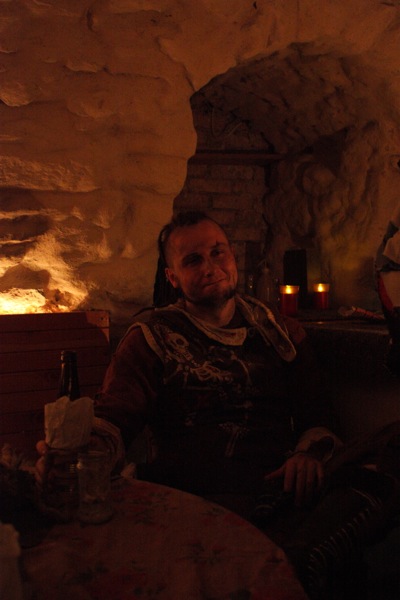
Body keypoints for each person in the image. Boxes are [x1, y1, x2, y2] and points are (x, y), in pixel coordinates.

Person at [37, 210, 400, 599]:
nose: (210, 267)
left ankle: (302, 555)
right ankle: (300, 560)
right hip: (201, 492)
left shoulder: (276, 329)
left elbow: (317, 411)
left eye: (218, 252)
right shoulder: (152, 336)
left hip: (283, 485)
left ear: (232, 256)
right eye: (193, 260)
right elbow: (114, 417)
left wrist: (309, 453)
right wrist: (75, 457)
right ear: (173, 277)